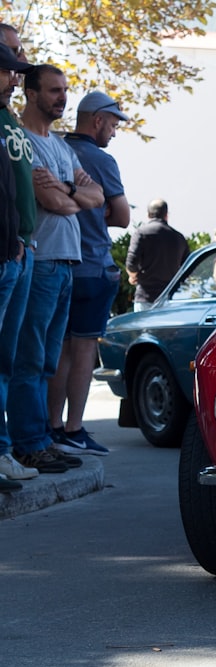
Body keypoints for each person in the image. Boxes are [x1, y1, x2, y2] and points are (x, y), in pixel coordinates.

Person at [10, 64, 104, 473]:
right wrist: (72, 195)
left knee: (48, 360)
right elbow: (51, 203)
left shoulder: (64, 149)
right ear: (30, 93)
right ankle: (27, 442)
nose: (62, 98)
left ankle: (42, 438)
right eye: (53, 91)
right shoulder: (22, 142)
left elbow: (95, 196)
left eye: (65, 90)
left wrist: (67, 189)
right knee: (29, 360)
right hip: (42, 260)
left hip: (67, 264)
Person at [49, 90, 130, 456]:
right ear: (97, 120)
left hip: (58, 261)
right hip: (94, 265)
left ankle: (51, 426)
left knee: (57, 351)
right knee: (83, 352)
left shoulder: (56, 150)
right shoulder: (100, 159)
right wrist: (94, 213)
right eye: (112, 125)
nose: (113, 132)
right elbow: (123, 216)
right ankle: (75, 427)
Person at [0, 39, 36, 491]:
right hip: (7, 254)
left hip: (16, 253)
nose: (14, 80)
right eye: (7, 70)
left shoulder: (10, 121)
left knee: (7, 362)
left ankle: (4, 451)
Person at [126, 199, 189, 311]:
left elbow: (131, 262)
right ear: (166, 215)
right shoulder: (179, 237)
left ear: (148, 214)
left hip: (145, 296)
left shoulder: (141, 233)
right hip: (170, 298)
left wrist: (133, 276)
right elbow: (187, 269)